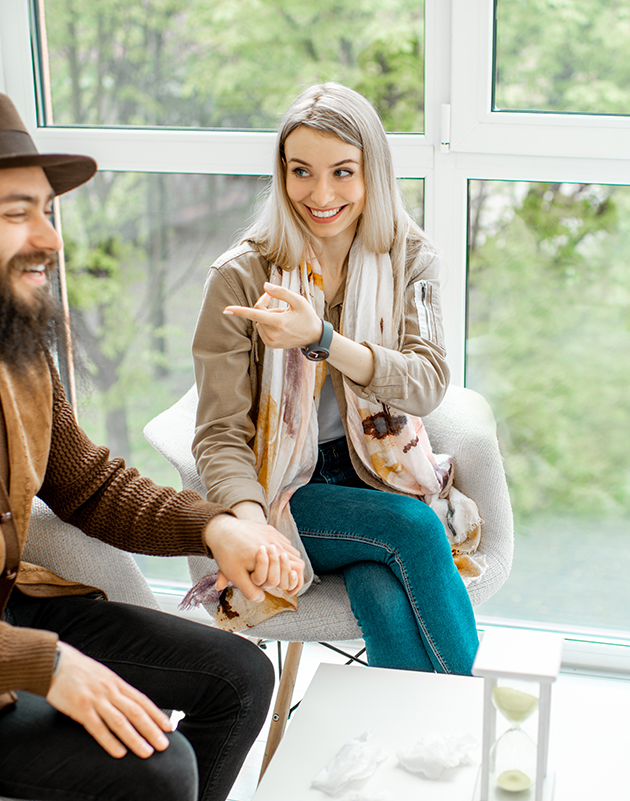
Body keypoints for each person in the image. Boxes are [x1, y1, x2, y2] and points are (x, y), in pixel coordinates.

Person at [0, 89, 305, 801]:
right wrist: (46, 665)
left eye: (45, 209)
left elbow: (89, 485)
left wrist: (212, 524)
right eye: (16, 213)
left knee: (240, 676)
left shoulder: (11, 336)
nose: (50, 237)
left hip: (6, 607)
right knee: (164, 771)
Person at [189, 82, 483, 674]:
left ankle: (400, 746)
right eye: (301, 172)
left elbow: (426, 384)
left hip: (383, 471)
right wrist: (251, 526)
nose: (320, 195)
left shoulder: (412, 259)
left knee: (379, 589)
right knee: (414, 529)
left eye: (343, 172)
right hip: (285, 487)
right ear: (283, 174)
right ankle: (466, 721)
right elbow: (219, 434)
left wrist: (322, 340)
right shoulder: (240, 278)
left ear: (373, 171)